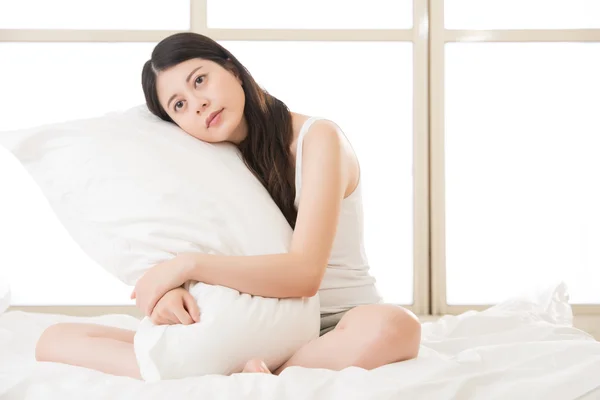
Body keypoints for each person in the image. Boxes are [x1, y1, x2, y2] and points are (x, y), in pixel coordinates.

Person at [35, 32, 421, 379]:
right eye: (179, 105)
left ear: (233, 69)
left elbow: (305, 275)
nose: (199, 105)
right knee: (55, 339)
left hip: (340, 322)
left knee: (395, 327)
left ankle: (267, 372)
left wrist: (187, 265)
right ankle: (248, 365)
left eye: (200, 80)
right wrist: (171, 292)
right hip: (250, 322)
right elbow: (181, 237)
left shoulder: (317, 138)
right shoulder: (208, 159)